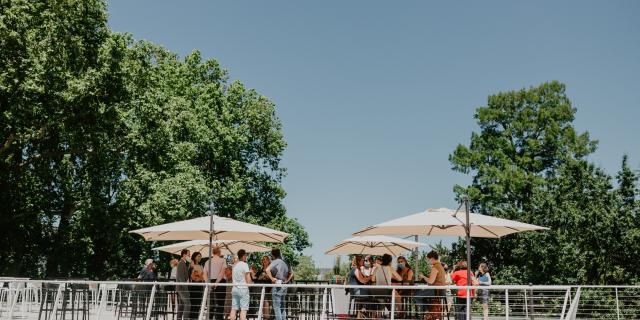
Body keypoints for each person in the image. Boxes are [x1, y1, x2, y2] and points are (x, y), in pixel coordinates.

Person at [416, 251, 447, 320]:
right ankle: (429, 312)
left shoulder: (435, 267)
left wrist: (423, 277)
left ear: (432, 258)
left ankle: (427, 312)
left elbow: (430, 281)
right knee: (421, 295)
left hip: (435, 291)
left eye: (428, 259)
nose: (428, 261)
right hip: (441, 291)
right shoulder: (440, 266)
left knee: (416, 296)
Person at [267, 248, 293, 320]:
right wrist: (286, 281)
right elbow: (291, 273)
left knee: (276, 307)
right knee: (282, 307)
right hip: (284, 285)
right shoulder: (285, 262)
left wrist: (272, 278)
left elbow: (267, 270)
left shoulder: (276, 261)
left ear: (272, 254)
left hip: (278, 284)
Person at [204, 247, 228, 320]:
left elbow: (204, 274)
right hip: (220, 283)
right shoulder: (223, 260)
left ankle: (210, 318)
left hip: (210, 283)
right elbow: (222, 273)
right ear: (219, 252)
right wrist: (216, 283)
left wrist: (208, 284)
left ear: (213, 252)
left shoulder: (208, 261)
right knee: (220, 305)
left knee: (210, 305)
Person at [229, 249, 252, 320]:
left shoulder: (234, 265)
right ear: (243, 256)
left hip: (235, 288)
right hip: (243, 289)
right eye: (246, 255)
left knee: (234, 309)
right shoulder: (245, 265)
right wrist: (251, 283)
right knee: (243, 310)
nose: (246, 257)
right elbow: (248, 280)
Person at [176, 249, 192, 320]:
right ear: (184, 255)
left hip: (181, 287)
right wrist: (186, 289)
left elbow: (185, 276)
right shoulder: (180, 263)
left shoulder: (183, 263)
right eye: (189, 254)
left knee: (181, 305)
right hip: (182, 288)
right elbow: (181, 278)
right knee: (188, 304)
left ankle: (179, 318)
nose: (190, 256)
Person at [190, 252, 205, 320]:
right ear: (195, 257)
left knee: (199, 304)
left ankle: (196, 318)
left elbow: (203, 277)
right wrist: (199, 277)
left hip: (200, 286)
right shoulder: (191, 265)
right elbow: (193, 277)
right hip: (194, 286)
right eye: (199, 256)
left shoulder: (201, 266)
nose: (200, 257)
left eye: (200, 256)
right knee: (194, 303)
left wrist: (199, 277)